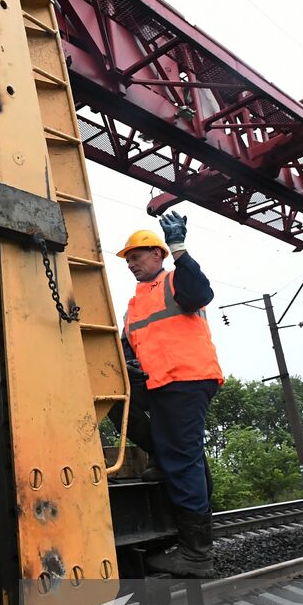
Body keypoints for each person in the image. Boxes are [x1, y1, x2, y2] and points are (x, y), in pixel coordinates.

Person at [117, 212, 223, 579]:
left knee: (182, 456)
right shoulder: (134, 303)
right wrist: (126, 363)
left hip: (186, 380)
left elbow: (199, 293)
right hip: (157, 383)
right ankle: (165, 457)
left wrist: (179, 247)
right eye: (128, 258)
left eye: (137, 255)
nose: (131, 262)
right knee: (114, 395)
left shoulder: (175, 280)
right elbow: (127, 343)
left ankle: (197, 554)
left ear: (157, 255)